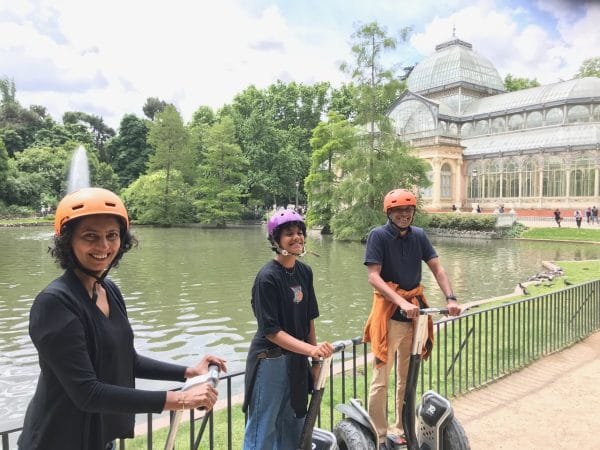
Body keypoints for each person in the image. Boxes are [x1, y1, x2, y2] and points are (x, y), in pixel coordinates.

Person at [18, 187, 227, 450]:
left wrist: (188, 372)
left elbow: (127, 359)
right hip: (57, 439)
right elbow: (87, 393)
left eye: (112, 235)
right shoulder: (55, 303)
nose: (104, 246)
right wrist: (178, 400)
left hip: (99, 438)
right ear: (68, 241)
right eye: (90, 236)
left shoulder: (109, 290)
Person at [362, 189, 461, 449]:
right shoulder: (378, 235)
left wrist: (450, 298)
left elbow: (437, 268)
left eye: (408, 210)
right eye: (398, 211)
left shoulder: (419, 236)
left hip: (413, 319)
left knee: (407, 378)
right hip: (389, 315)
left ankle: (402, 428)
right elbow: (374, 276)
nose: (404, 215)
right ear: (389, 213)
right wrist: (401, 301)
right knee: (381, 380)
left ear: (413, 212)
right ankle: (379, 435)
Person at [242, 209, 333, 450]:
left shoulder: (305, 272)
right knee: (264, 428)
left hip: (297, 359)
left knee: (294, 423)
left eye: (300, 233)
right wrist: (311, 351)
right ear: (276, 240)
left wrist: (315, 361)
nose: (297, 238)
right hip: (269, 360)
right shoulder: (267, 277)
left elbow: (309, 319)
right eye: (289, 234)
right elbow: (271, 331)